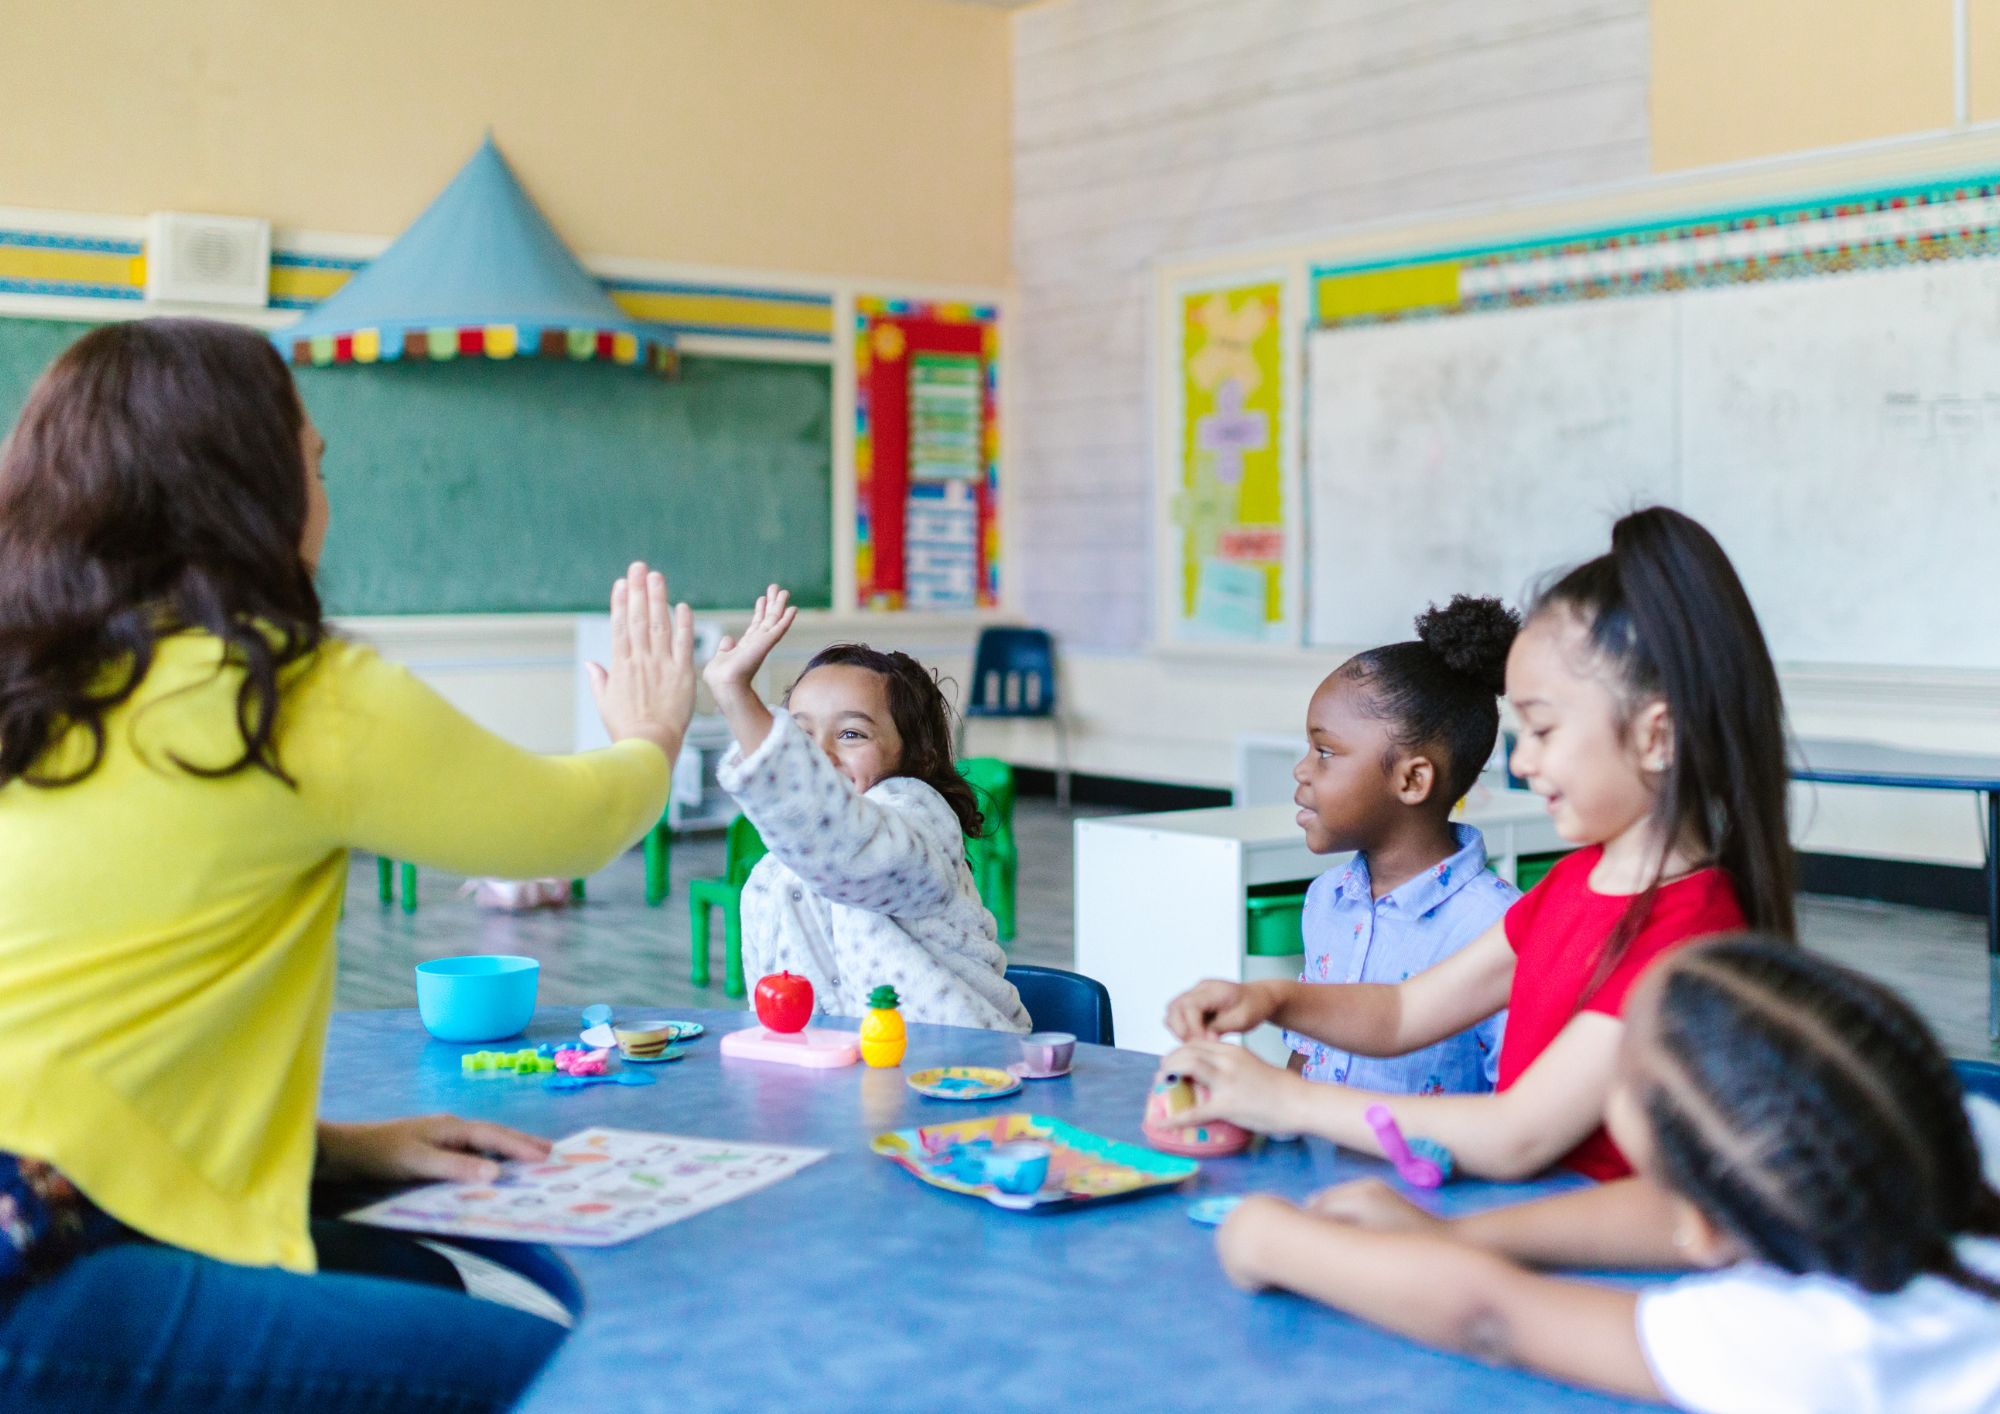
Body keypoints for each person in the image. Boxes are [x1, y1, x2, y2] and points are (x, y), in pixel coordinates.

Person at [0, 318, 698, 1410]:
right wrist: (649, 737)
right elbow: (562, 827)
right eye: (313, 466)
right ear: (244, 491)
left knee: (411, 1271)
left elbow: (71, 1040)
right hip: (34, 1263)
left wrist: (335, 1149)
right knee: (557, 1379)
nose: (324, 499)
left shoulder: (37, 684)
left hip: (46, 1203)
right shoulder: (275, 694)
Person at [1162, 508, 1793, 1180]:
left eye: (1544, 732)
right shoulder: (1575, 884)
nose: (1520, 765)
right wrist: (1272, 1001)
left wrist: (1288, 1102)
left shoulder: (1685, 935)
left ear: (1656, 736)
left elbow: (1514, 1135)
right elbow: (1405, 1012)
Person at [1214, 937, 2000, 1413]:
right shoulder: (1958, 1130)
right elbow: (1681, 1211)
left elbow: (1493, 1319)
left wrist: (1267, 1237)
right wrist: (1457, 1232)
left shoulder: (1816, 1346)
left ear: (1707, 1226)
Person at [705, 586, 1028, 1030]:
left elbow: (849, 850)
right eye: (800, 735)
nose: (820, 754)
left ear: (918, 756)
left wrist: (737, 698)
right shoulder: (770, 877)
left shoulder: (919, 822)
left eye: (852, 734)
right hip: (843, 1080)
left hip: (960, 1070)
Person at [1282, 595, 1519, 1095]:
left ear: (1412, 780)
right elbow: (1307, 1056)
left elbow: (1516, 1105)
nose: (1302, 770)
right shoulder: (1327, 898)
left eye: (1325, 751)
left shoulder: (1498, 928)